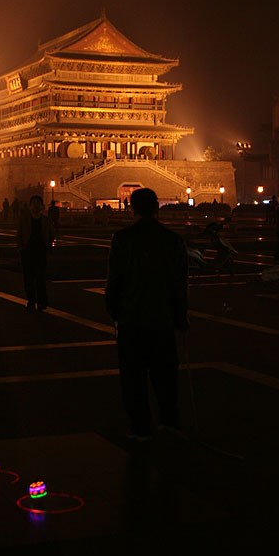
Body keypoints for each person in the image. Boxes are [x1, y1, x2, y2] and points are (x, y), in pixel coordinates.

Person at [106, 187, 189, 441]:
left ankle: (140, 427)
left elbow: (115, 281)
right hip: (162, 318)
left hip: (131, 318)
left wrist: (114, 311)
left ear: (132, 208)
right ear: (157, 208)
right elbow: (179, 283)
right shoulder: (173, 240)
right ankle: (170, 421)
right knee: (166, 375)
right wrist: (180, 315)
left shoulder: (122, 238)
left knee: (133, 378)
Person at [17, 195, 55, 311]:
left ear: (42, 206)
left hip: (41, 252)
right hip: (28, 252)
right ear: (30, 206)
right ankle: (31, 300)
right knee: (28, 278)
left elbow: (51, 234)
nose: (35, 206)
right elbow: (19, 235)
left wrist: (48, 245)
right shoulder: (24, 219)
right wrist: (22, 248)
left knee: (40, 278)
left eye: (38, 203)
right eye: (33, 203)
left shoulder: (46, 220)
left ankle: (42, 302)